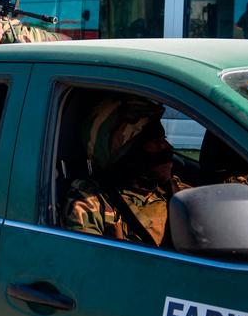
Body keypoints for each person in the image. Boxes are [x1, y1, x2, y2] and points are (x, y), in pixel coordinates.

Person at [63, 97, 191, 247]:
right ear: (127, 152)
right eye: (156, 142)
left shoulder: (176, 192)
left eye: (164, 138)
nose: (168, 147)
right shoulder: (92, 201)